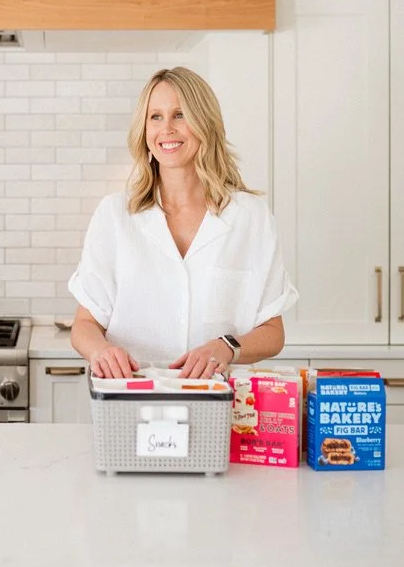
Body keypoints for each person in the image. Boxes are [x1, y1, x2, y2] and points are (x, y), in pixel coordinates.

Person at [68, 66, 298, 380]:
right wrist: (100, 351)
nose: (167, 129)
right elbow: (84, 325)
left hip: (219, 404)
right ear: (144, 129)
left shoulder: (250, 217)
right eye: (156, 117)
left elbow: (273, 332)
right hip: (131, 398)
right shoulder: (114, 215)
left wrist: (227, 346)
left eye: (180, 115)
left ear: (205, 122)